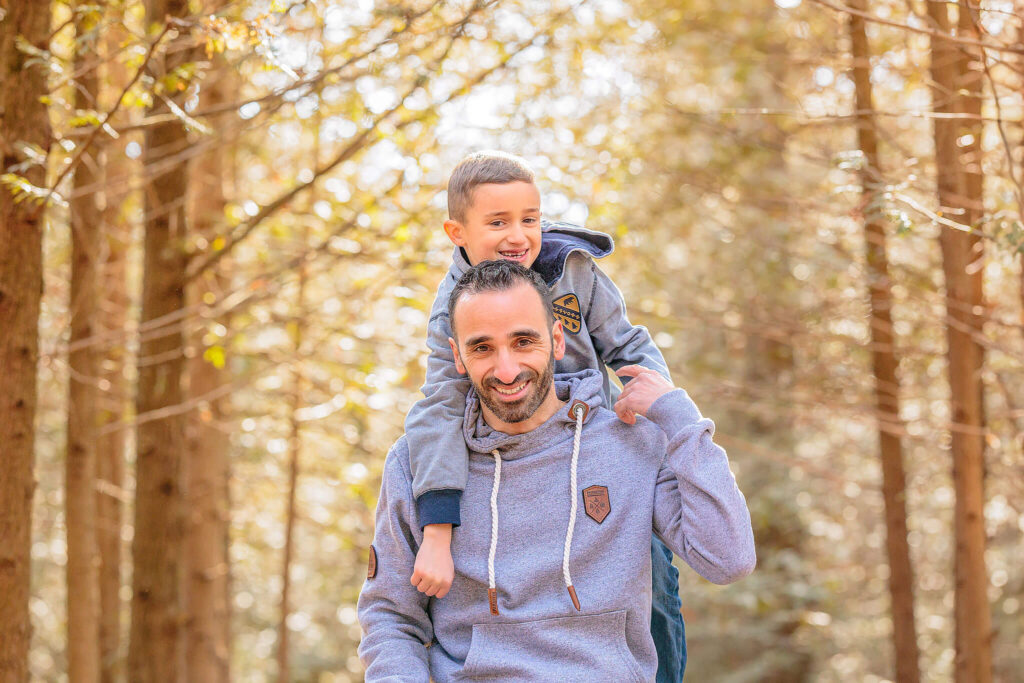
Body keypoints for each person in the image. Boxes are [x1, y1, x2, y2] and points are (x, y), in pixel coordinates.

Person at [358, 260, 755, 681]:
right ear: (457, 356)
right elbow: (390, 616)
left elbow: (727, 560)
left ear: (558, 339)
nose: (506, 370)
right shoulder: (416, 463)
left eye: (523, 341)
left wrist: (679, 417)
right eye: (482, 348)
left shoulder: (633, 442)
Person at [404, 151, 689, 679]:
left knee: (653, 587)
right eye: (498, 222)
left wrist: (659, 408)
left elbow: (627, 343)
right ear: (456, 231)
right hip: (513, 450)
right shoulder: (453, 307)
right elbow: (441, 404)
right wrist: (438, 531)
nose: (518, 235)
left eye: (529, 219)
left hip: (596, 447)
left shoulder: (571, 270)